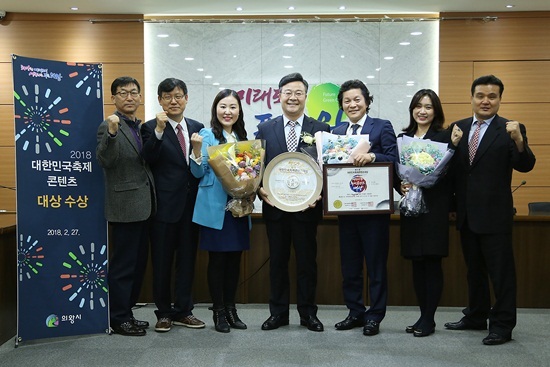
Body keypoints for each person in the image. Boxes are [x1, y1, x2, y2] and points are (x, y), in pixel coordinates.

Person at [444, 75, 536, 345]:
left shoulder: (510, 129)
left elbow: (525, 164)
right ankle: (475, 315)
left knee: (502, 274)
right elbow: (453, 172)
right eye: (480, 96)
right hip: (467, 215)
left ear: (499, 99)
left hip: (495, 216)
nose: (485, 101)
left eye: (492, 96)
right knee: (474, 271)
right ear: (471, 98)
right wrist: (452, 207)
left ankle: (503, 325)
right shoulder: (458, 128)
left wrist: (519, 140)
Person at [256, 73, 330, 332]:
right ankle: (278, 313)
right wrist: (259, 191)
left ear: (305, 96)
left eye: (298, 92)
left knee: (307, 263)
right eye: (287, 92)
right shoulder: (265, 129)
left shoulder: (320, 129)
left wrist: (321, 194)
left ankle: (308, 314)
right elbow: (258, 168)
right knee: (277, 262)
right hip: (275, 209)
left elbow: (327, 169)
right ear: (279, 96)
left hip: (307, 210)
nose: (293, 97)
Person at [332, 79, 398, 336]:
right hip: (346, 209)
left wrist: (372, 156)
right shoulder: (336, 133)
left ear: (367, 101)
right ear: (342, 105)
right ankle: (355, 311)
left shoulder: (381, 127)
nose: (352, 104)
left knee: (376, 265)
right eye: (347, 101)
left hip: (374, 209)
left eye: (357, 99)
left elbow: (394, 159)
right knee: (349, 266)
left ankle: (375, 316)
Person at [141, 78, 205, 333]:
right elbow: (147, 158)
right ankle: (164, 312)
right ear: (159, 100)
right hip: (163, 209)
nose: (173, 101)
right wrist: (158, 131)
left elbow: (200, 166)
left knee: (187, 262)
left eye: (178, 96)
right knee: (162, 262)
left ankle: (183, 311)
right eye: (167, 97)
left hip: (191, 208)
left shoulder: (198, 128)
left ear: (186, 98)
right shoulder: (149, 128)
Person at [396, 89, 462, 337]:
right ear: (412, 109)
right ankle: (422, 315)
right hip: (411, 209)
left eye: (428, 107)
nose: (422, 111)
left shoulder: (445, 138)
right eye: (418, 106)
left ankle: (429, 319)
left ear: (436, 111)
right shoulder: (403, 137)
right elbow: (396, 172)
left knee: (432, 262)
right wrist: (400, 185)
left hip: (435, 207)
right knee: (416, 263)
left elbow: (452, 173)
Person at [189, 89, 251, 333]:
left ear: (239, 111)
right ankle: (218, 312)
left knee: (234, 260)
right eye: (223, 106)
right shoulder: (206, 135)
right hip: (216, 207)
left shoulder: (242, 136)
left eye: (233, 107)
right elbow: (197, 173)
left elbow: (249, 171)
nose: (228, 111)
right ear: (216, 109)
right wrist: (195, 151)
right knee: (217, 261)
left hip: (238, 208)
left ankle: (231, 308)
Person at [96, 76, 155, 336]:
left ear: (140, 97)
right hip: (124, 207)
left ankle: (127, 312)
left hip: (144, 206)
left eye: (134, 92)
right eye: (123, 93)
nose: (129, 97)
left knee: (138, 264)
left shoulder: (139, 126)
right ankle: (118, 317)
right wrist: (110, 133)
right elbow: (105, 161)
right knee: (122, 266)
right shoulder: (110, 125)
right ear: (114, 98)